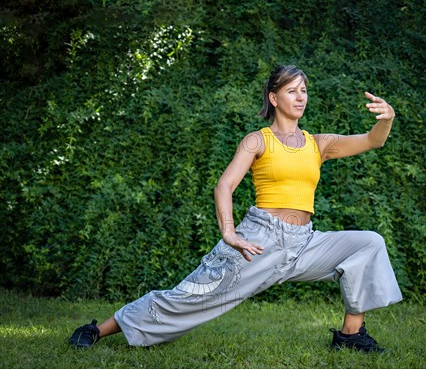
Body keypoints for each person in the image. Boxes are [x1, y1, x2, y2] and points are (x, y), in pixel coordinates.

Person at [68, 65, 402, 353]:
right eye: (292, 91)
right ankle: (98, 329)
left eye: (304, 91)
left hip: (303, 243)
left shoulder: (318, 144)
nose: (300, 97)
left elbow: (373, 140)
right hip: (258, 242)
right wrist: (229, 233)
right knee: (190, 295)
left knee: (368, 243)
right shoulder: (258, 141)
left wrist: (386, 119)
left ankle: (350, 335)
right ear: (274, 98)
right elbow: (224, 186)